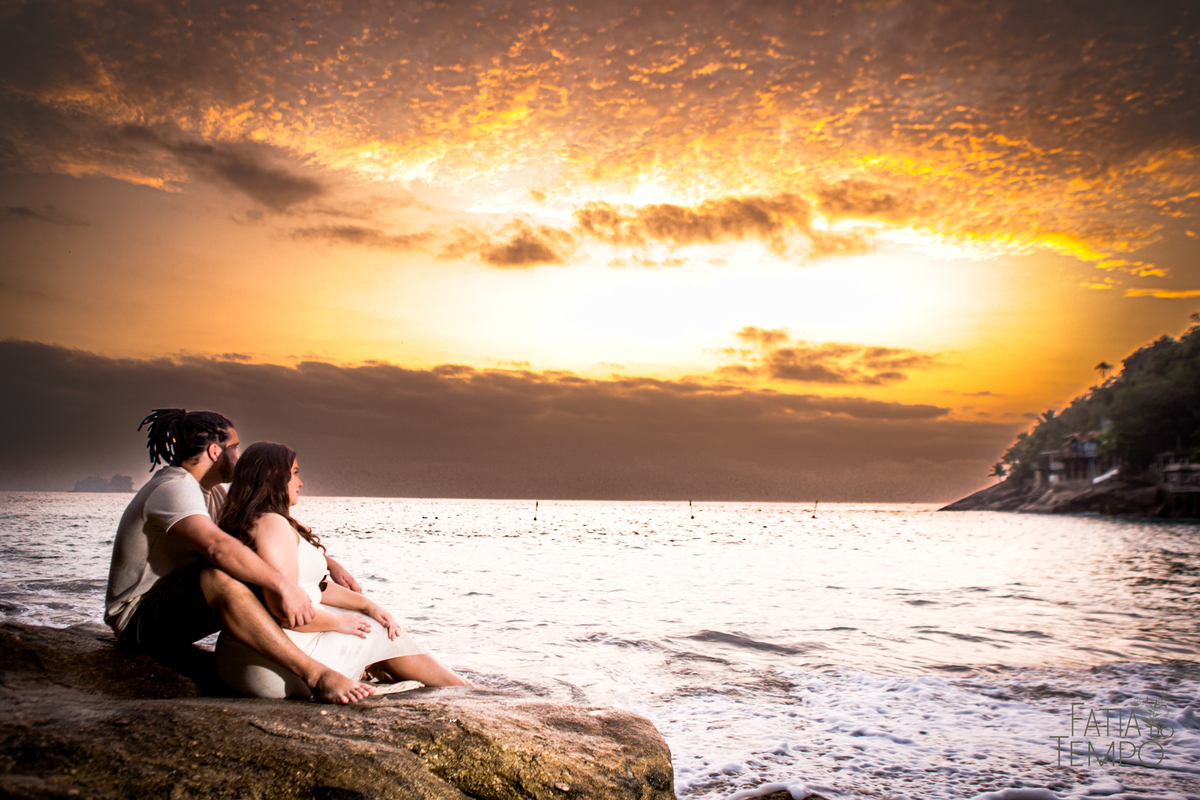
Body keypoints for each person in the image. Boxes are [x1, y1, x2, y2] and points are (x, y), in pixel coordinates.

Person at [104, 409, 375, 703]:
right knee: (221, 575)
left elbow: (253, 543)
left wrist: (328, 565)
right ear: (214, 450)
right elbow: (216, 547)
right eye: (234, 447)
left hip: (174, 609)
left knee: (254, 567)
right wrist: (283, 585)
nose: (239, 454)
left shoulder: (211, 493)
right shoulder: (173, 488)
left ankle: (350, 660)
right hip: (139, 623)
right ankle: (315, 674)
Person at [213, 442, 473, 698]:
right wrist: (340, 623)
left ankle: (400, 673)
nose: (300, 482)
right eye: (294, 473)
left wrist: (368, 605)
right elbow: (286, 613)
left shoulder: (252, 521)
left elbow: (310, 588)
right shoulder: (272, 524)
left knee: (369, 619)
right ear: (272, 476)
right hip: (274, 669)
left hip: (249, 662)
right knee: (378, 630)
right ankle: (462, 690)